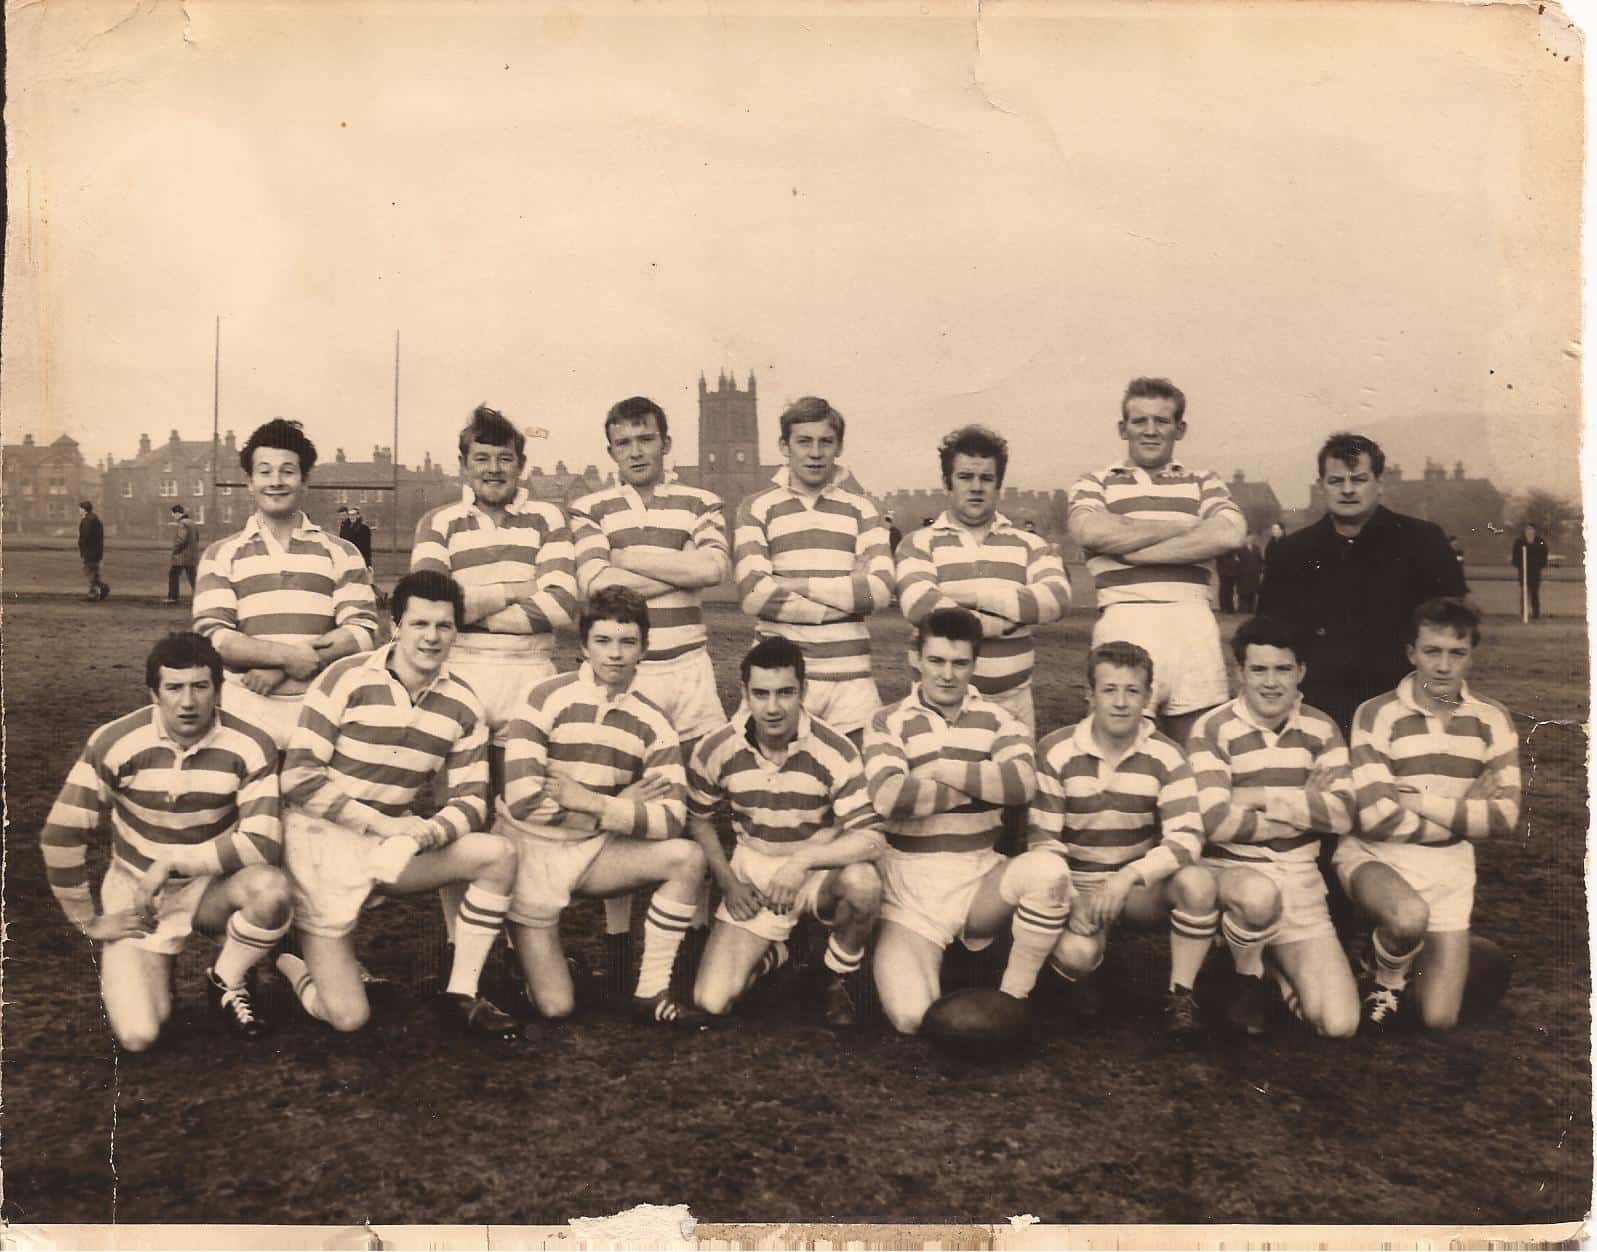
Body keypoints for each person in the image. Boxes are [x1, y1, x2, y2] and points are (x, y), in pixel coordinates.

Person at [274, 571, 521, 1039]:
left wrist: (429, 832)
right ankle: (290, 961)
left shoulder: (464, 703)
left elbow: (472, 801)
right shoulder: (344, 677)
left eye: (444, 626)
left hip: (391, 847)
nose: (431, 637)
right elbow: (299, 776)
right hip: (319, 848)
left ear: (457, 631)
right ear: (396, 626)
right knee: (348, 1016)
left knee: (496, 854)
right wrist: (382, 825)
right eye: (419, 624)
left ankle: (462, 993)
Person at [39, 632, 291, 1049]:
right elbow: (60, 833)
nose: (188, 702)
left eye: (200, 686)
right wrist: (88, 921)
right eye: (174, 688)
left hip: (211, 889)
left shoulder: (251, 743)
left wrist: (174, 861)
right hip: (139, 896)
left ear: (219, 688)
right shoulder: (116, 741)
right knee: (141, 1035)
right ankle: (155, 968)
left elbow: (263, 844)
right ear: (153, 693)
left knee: (271, 890)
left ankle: (225, 978)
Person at [569, 396, 730, 995]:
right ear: (610, 450)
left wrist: (628, 557)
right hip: (625, 674)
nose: (637, 451)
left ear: (666, 443)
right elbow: (593, 584)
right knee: (622, 801)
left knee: (695, 806)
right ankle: (617, 944)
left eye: (647, 439)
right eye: (624, 442)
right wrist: (673, 566)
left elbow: (713, 569)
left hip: (689, 670)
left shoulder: (702, 500)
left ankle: (692, 934)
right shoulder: (589, 507)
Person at [498, 586, 710, 1028]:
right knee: (556, 1007)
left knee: (687, 857)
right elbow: (521, 800)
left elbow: (671, 818)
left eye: (627, 642)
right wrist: (615, 807)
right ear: (583, 645)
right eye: (603, 641)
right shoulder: (543, 697)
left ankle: (651, 990)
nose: (615, 655)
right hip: (529, 855)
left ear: (645, 649)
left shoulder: (654, 723)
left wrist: (594, 802)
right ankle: (520, 952)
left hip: (594, 852)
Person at [411, 406, 579, 958]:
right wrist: (516, 589)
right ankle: (464, 940)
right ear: (463, 466)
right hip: (460, 677)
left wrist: (471, 603)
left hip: (532, 675)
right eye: (480, 458)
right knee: (460, 812)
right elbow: (433, 606)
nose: (492, 469)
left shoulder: (548, 520)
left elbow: (559, 605)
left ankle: (516, 930)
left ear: (521, 466)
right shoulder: (439, 522)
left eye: (504, 459)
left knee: (523, 811)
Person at [864, 607, 1073, 1036]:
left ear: (975, 664)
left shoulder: (1000, 719)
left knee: (1049, 871)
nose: (947, 674)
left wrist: (938, 770)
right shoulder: (887, 720)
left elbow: (1020, 785)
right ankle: (958, 959)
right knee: (911, 1020)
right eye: (937, 661)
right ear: (916, 658)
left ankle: (1013, 999)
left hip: (980, 877)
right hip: (909, 889)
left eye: (960, 663)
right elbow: (890, 797)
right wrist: (980, 779)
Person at [1337, 597, 1521, 1031]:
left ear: (1470, 655)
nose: (1443, 666)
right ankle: (1385, 974)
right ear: (1411, 653)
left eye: (1457, 653)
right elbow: (1377, 816)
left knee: (1437, 1019)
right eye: (1432, 652)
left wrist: (1416, 799)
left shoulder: (1493, 719)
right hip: (1377, 857)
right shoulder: (1376, 713)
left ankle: (1397, 956)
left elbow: (1505, 818)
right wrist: (1463, 812)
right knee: (1407, 916)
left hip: (1450, 869)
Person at [689, 638, 886, 1027]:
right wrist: (729, 882)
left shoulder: (836, 750)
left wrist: (803, 861)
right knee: (710, 1001)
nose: (773, 707)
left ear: (804, 691)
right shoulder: (716, 747)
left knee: (863, 884)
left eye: (785, 693)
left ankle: (835, 976)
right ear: (744, 693)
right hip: (755, 870)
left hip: (814, 870)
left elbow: (872, 838)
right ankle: (779, 954)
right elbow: (698, 818)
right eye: (760, 694)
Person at [1030, 641, 1217, 1041]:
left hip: (1134, 887)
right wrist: (1071, 898)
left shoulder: (1168, 755)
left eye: (1132, 691)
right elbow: (1043, 841)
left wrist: (1129, 875)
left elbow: (1186, 838)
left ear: (1148, 697)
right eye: (1109, 690)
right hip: (1075, 885)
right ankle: (1082, 975)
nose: (1120, 702)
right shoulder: (1055, 750)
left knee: (1197, 883)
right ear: (1090, 694)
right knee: (1078, 958)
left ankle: (1180, 996)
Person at [1186, 616, 1360, 1039]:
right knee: (1257, 896)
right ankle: (1233, 955)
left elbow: (1343, 814)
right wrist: (1303, 803)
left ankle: (1268, 970)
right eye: (1258, 670)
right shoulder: (1211, 728)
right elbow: (1215, 820)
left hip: (1300, 883)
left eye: (1283, 669)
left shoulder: (1322, 728)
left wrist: (1256, 796)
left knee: (1339, 1025)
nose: (1270, 683)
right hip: (1234, 876)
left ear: (1301, 671)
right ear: (1240, 672)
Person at [1066, 377, 1246, 744]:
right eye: (1140, 421)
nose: (1150, 431)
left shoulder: (1203, 481)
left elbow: (1228, 533)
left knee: (1199, 751)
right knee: (1120, 749)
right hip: (1124, 619)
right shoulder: (1096, 482)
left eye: (1161, 421)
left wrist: (1130, 548)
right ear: (1123, 428)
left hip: (1192, 624)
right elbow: (1090, 531)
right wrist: (1186, 526)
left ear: (1179, 429)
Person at [1257, 432, 1466, 737]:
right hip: (1318, 711)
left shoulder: (1424, 541)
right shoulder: (1290, 552)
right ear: (1321, 486)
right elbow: (1269, 637)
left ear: (1379, 483)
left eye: (1358, 479)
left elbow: (1454, 631)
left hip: (1405, 707)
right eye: (1336, 481)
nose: (1347, 490)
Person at [194, 419, 379, 749]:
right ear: (249, 482)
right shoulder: (220, 554)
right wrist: (287, 658)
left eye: (287, 471)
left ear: (305, 480)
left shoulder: (342, 552)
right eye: (264, 471)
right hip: (244, 712)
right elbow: (213, 638)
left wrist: (281, 668)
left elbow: (362, 633)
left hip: (322, 711)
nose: (275, 482)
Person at [734, 396, 895, 743]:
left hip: (851, 681)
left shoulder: (863, 508)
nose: (815, 452)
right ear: (784, 446)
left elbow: (879, 591)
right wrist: (846, 593)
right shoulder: (758, 507)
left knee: (858, 786)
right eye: (804, 441)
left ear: (838, 447)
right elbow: (751, 595)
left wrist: (791, 584)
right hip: (779, 678)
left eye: (826, 442)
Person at [895, 425, 1072, 737]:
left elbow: (1056, 598)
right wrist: (1006, 620)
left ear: (998, 484)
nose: (976, 487)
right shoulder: (918, 542)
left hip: (1012, 707)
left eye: (986, 478)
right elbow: (920, 605)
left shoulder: (1029, 543)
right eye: (965, 477)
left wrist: (961, 597)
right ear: (947, 483)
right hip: (939, 710)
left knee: (1014, 786)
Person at [1511, 522, 1549, 620]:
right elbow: (1515, 557)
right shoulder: (1519, 542)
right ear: (1524, 531)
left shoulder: (1540, 541)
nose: (1530, 531)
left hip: (1535, 572)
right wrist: (1520, 565)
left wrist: (1540, 564)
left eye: (1531, 529)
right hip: (1523, 572)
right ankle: (1524, 613)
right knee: (1524, 593)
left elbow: (1544, 553)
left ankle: (1536, 614)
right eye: (1527, 529)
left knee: (1535, 593)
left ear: (1535, 531)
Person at [166, 504, 200, 603]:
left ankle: (172, 597)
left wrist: (175, 550)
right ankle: (200, 597)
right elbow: (197, 538)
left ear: (177, 513)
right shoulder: (192, 523)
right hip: (192, 555)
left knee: (173, 575)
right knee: (193, 577)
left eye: (173, 514)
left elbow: (181, 539)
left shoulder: (182, 524)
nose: (173, 516)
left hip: (181, 556)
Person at [78, 500, 109, 602]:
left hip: (90, 551)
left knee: (89, 571)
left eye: (80, 508)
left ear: (84, 509)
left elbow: (85, 536)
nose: (79, 510)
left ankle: (94, 593)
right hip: (96, 550)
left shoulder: (87, 520)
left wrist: (81, 544)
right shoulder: (95, 519)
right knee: (93, 572)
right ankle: (101, 588)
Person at [1235, 533, 1263, 614]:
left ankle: (1251, 610)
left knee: (1252, 593)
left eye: (1252, 537)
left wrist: (1260, 569)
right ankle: (1243, 610)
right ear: (1245, 538)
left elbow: (1261, 560)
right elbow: (1236, 562)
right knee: (1243, 593)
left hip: (1254, 575)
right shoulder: (1239, 549)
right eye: (1248, 537)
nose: (1250, 539)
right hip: (1243, 575)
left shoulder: (1257, 548)